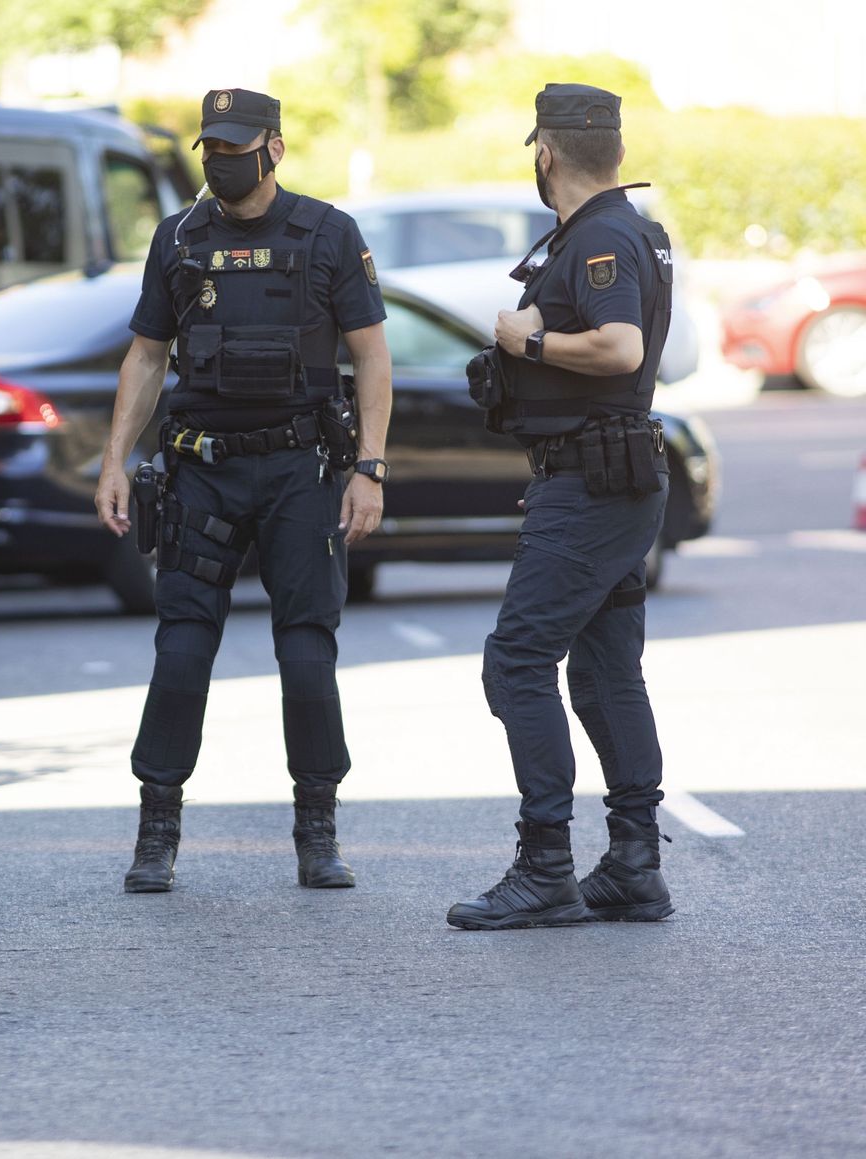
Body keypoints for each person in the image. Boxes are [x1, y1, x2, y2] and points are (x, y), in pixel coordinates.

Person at [94, 87, 393, 894]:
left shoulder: (329, 233)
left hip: (301, 470)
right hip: (203, 468)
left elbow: (370, 355)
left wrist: (369, 467)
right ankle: (156, 834)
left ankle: (317, 832)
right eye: (211, 148)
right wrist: (115, 459)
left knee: (306, 651)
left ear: (275, 148)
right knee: (182, 648)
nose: (222, 160)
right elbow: (147, 356)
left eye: (236, 145)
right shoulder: (180, 238)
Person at [447, 83, 676, 930]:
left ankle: (546, 864)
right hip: (598, 480)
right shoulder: (611, 231)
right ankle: (633, 862)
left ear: (545, 152)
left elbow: (622, 348)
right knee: (607, 669)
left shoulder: (605, 237)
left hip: (593, 487)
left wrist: (529, 340)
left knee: (516, 661)